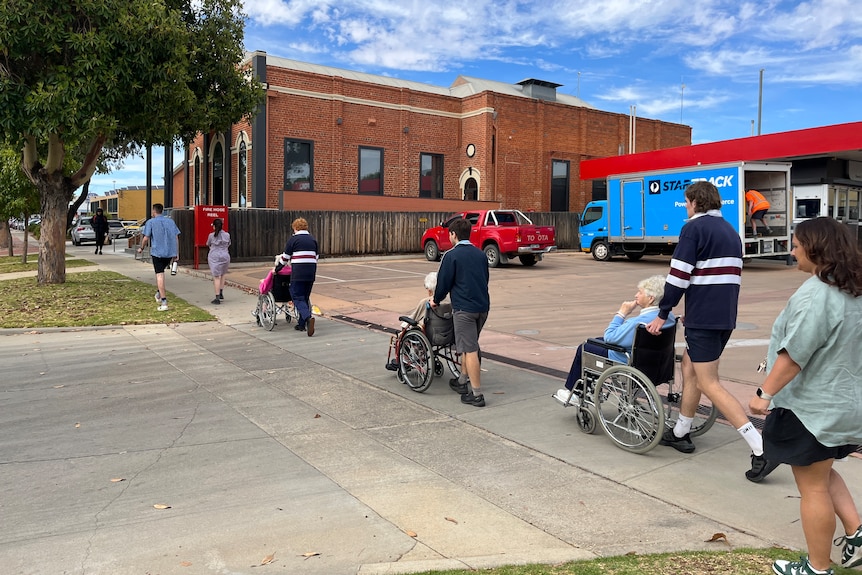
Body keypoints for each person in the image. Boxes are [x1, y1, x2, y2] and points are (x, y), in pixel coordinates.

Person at [748, 217, 862, 575]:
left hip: (812, 407)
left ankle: (816, 568)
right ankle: (857, 534)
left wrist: (764, 393)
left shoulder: (818, 294)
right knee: (821, 472)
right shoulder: (853, 289)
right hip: (845, 404)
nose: (792, 250)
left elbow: (795, 354)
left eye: (796, 244)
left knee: (811, 486)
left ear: (816, 248)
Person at [645, 181, 776, 482]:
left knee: (709, 382)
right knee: (691, 369)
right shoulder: (731, 232)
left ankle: (759, 447)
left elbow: (678, 276)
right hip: (725, 317)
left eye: (686, 202)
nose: (686, 207)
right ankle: (681, 432)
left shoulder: (693, 229)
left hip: (702, 318)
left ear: (693, 201)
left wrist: (662, 313)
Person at [554, 275, 675, 404]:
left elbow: (610, 337)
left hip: (628, 362)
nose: (636, 295)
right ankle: (589, 388)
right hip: (658, 365)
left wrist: (621, 313)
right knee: (596, 342)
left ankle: (576, 393)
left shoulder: (638, 324)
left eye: (640, 292)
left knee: (585, 347)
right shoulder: (669, 318)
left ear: (651, 299)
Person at [432, 217, 490, 407]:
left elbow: (443, 283)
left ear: (454, 234)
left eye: (449, 233)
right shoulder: (480, 254)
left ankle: (476, 394)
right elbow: (485, 279)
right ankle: (461, 381)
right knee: (467, 344)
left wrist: (436, 300)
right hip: (482, 307)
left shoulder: (451, 256)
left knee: (470, 349)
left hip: (464, 309)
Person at [386, 271, 440, 371]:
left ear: (429, 289)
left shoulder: (425, 301)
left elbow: (413, 318)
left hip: (426, 332)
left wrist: (403, 324)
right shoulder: (447, 300)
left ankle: (404, 360)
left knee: (401, 335)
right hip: (443, 332)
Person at [276, 217, 318, 336]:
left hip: (298, 272)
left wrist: (277, 269)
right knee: (305, 297)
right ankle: (301, 324)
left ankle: (308, 318)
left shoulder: (293, 240)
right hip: (311, 272)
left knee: (296, 296)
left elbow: (285, 258)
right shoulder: (313, 240)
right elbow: (316, 257)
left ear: (295, 228)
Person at [137, 204, 181, 312]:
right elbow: (176, 237)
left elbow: (146, 238)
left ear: (153, 211)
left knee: (159, 275)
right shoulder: (170, 222)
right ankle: (158, 293)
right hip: (169, 253)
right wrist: (176, 252)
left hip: (157, 252)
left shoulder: (151, 222)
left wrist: (141, 248)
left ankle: (164, 301)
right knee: (161, 275)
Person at [206, 218, 230, 305]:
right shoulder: (227, 235)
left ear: (214, 226)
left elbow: (208, 244)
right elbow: (228, 244)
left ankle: (217, 298)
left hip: (214, 257)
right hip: (225, 256)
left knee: (216, 277)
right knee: (223, 274)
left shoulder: (211, 236)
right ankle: (221, 292)